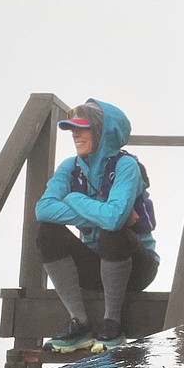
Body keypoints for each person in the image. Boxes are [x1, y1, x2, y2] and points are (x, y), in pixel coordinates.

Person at [36, 98, 159, 353]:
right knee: (47, 232)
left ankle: (112, 324)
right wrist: (102, 212)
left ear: (104, 133)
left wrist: (74, 198)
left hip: (138, 268)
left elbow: (113, 221)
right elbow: (43, 210)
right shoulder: (69, 167)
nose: (75, 134)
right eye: (72, 128)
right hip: (96, 264)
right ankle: (79, 324)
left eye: (83, 128)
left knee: (111, 232)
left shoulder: (126, 166)